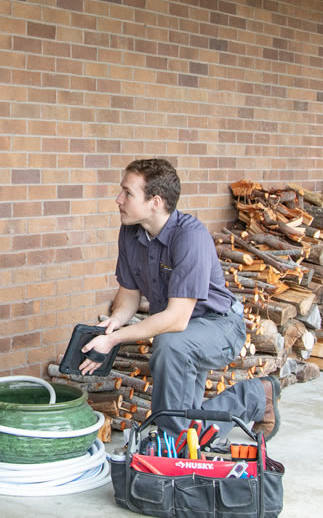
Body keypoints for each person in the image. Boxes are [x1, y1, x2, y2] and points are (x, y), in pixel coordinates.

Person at [79, 158, 280, 442]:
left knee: (170, 345)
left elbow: (176, 319)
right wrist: (114, 322)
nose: (118, 199)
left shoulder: (190, 236)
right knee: (189, 418)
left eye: (128, 193)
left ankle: (170, 442)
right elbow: (128, 297)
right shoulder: (130, 232)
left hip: (219, 326)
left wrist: (114, 340)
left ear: (155, 202)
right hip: (184, 334)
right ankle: (255, 397)